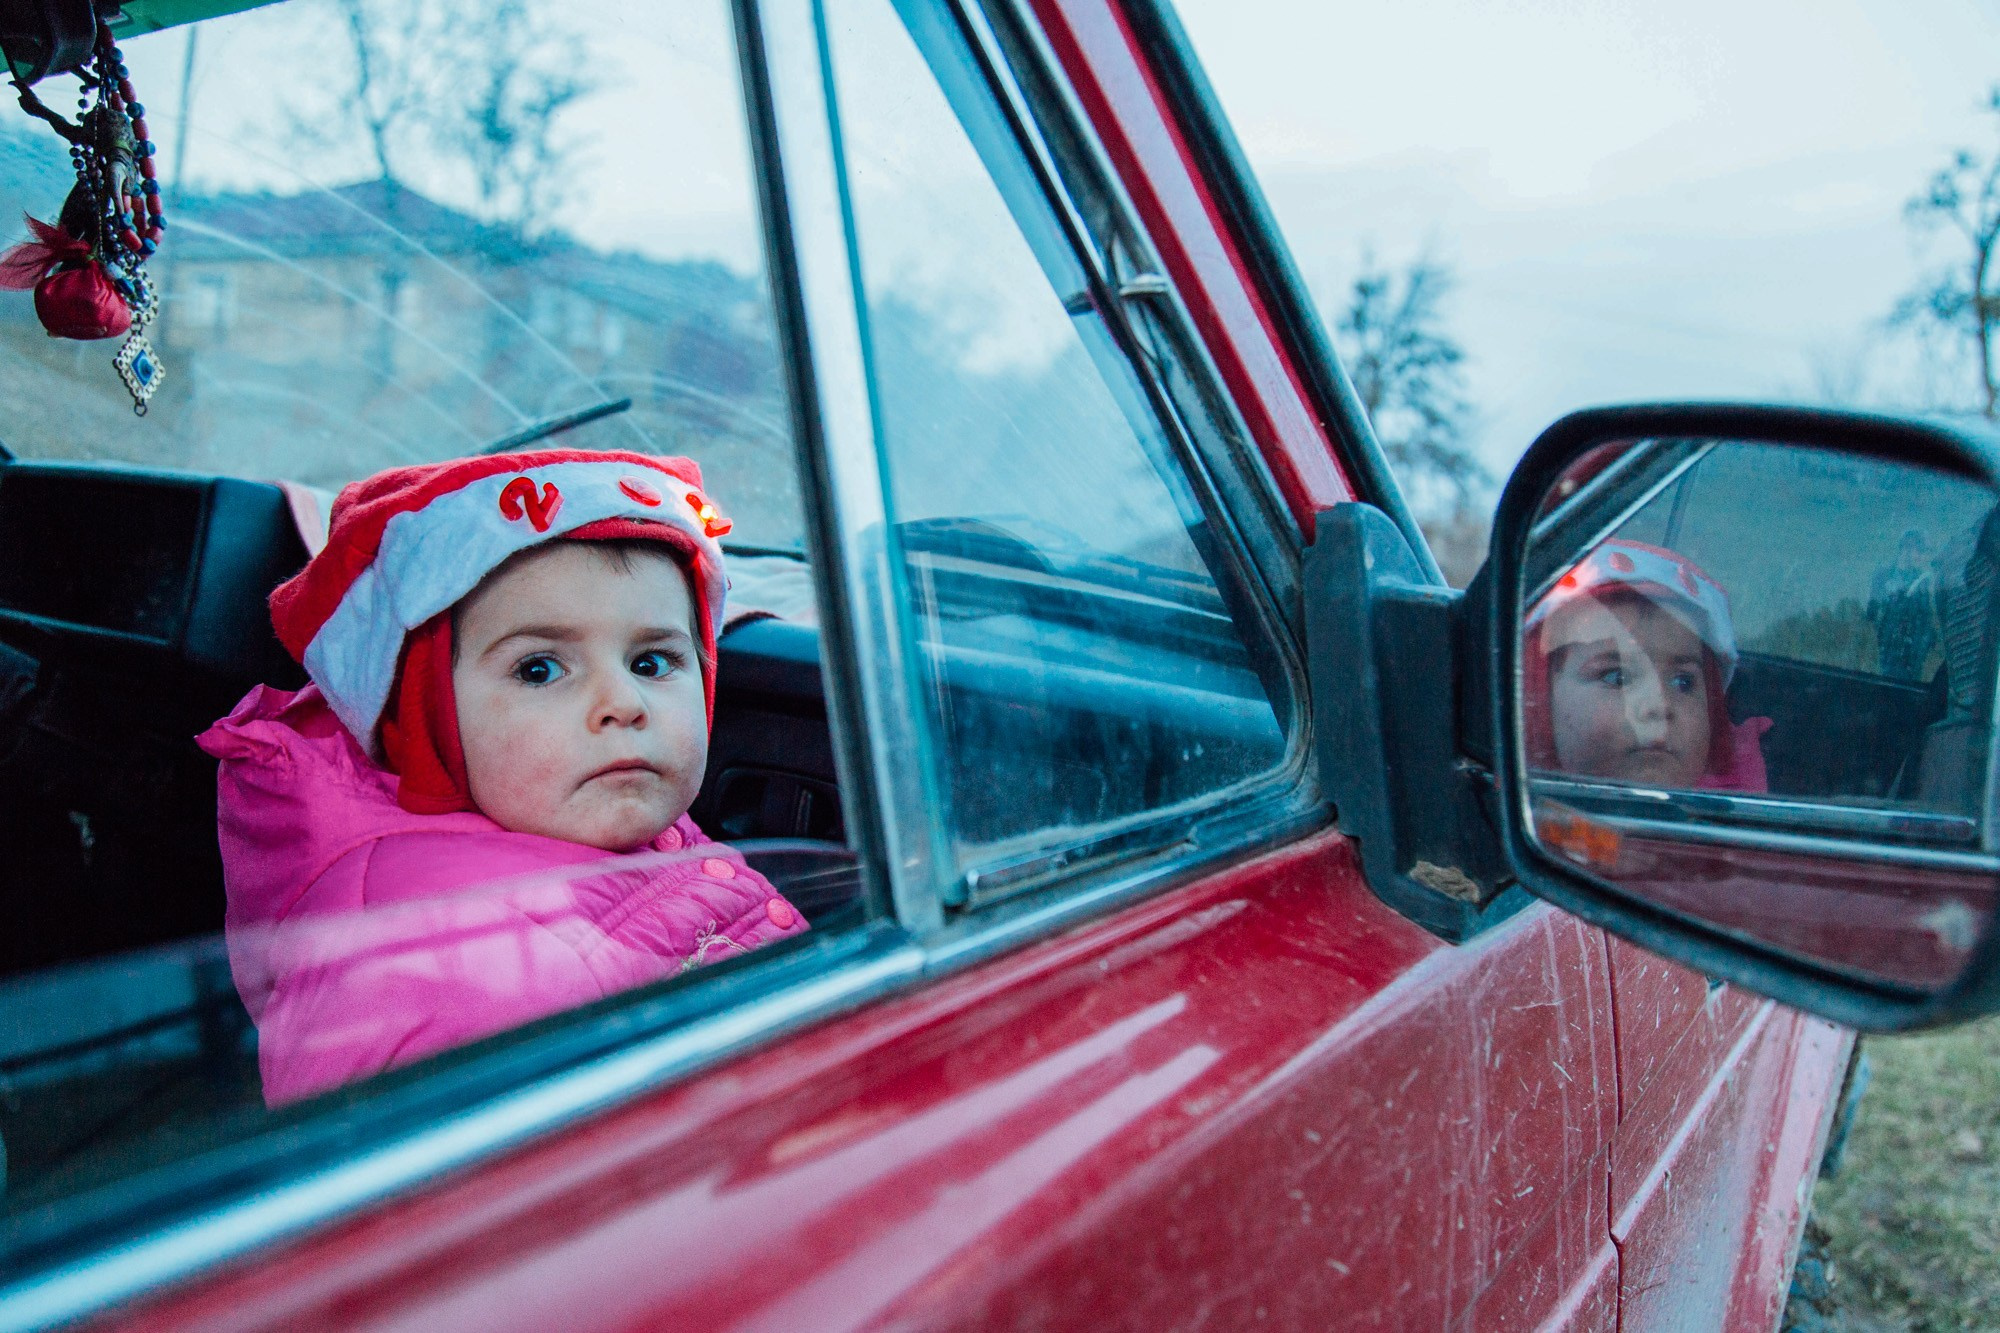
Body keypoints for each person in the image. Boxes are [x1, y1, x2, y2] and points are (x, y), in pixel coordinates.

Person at [198, 451, 807, 1106]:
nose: (623, 702)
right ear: (427, 712)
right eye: (540, 669)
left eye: (652, 661)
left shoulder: (561, 799)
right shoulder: (437, 972)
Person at [1524, 539, 1769, 793]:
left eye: (1683, 682)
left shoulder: (1750, 816)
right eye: (1616, 677)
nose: (1658, 705)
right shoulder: (1504, 803)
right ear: (1539, 698)